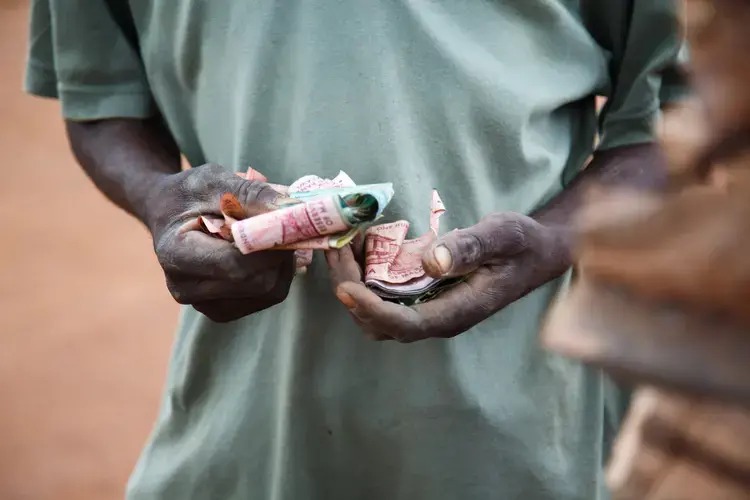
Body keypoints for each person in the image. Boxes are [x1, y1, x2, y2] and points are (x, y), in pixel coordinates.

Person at [24, 0, 686, 498]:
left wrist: (552, 239)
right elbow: (99, 93)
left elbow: (687, 101)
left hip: (515, 438)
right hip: (244, 436)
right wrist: (161, 196)